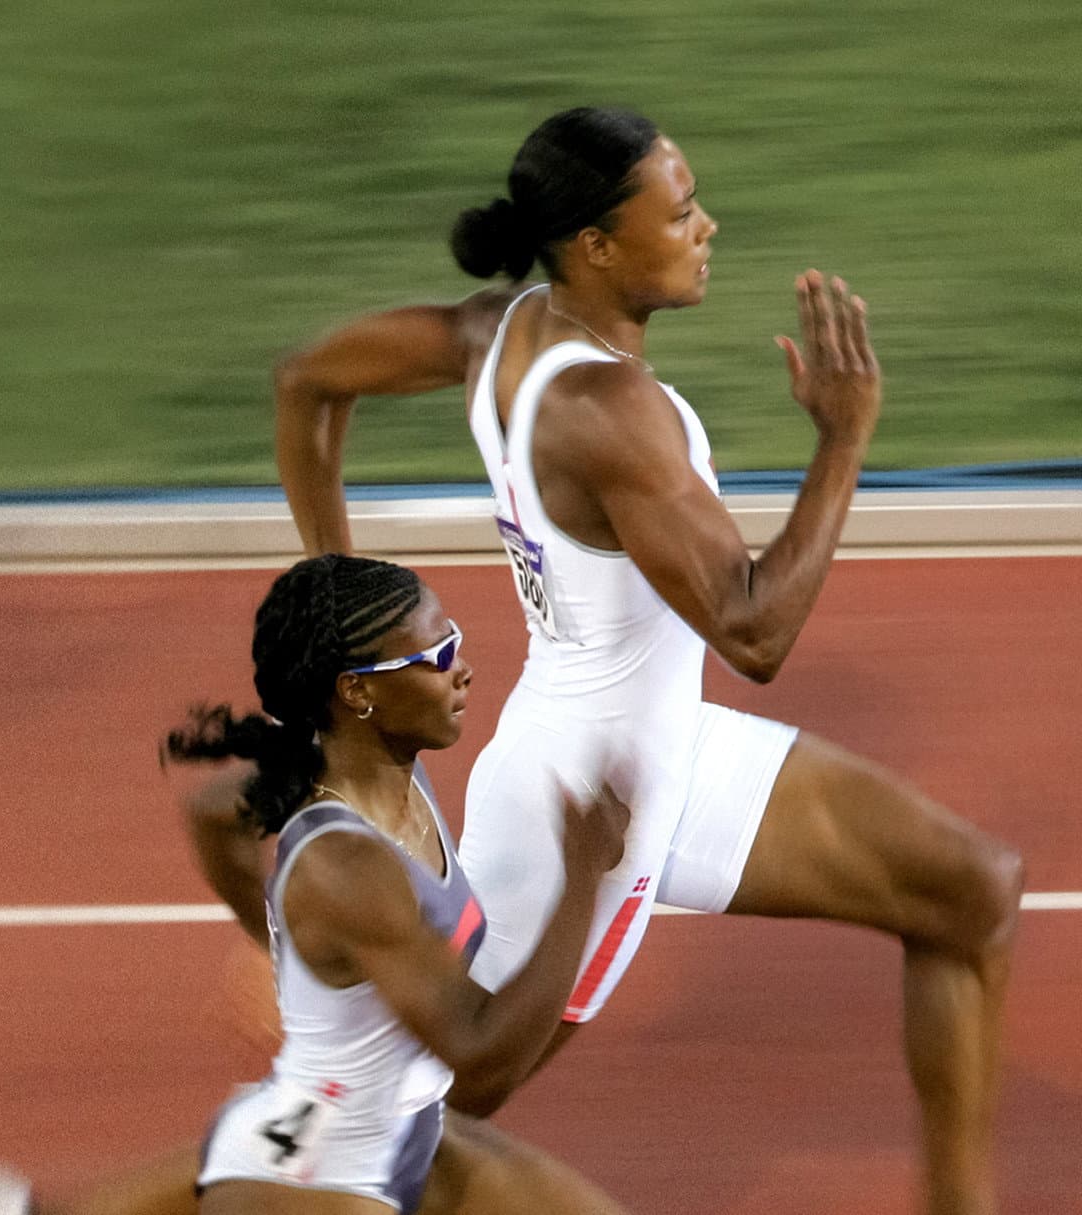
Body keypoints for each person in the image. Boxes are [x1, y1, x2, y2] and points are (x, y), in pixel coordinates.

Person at [266, 106, 1026, 1215]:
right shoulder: (610, 411)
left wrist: (333, 584)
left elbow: (305, 382)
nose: (707, 225)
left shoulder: (496, 331)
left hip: (663, 747)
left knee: (971, 893)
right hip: (594, 797)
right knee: (428, 1104)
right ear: (598, 247)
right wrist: (845, 437)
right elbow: (756, 632)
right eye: (679, 211)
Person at [0, 553, 637, 1214]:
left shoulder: (375, 766)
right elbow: (483, 1056)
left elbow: (212, 812)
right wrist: (581, 876)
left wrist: (281, 945)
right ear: (359, 692)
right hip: (324, 1182)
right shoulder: (348, 867)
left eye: (452, 640)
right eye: (434, 658)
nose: (461, 669)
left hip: (395, 1130)